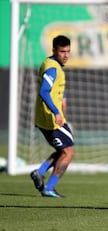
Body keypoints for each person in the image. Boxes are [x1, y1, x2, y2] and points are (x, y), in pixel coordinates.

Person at [30, 35, 74, 198]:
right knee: (68, 152)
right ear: (54, 50)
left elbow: (55, 89)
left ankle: (40, 172)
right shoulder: (52, 67)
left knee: (63, 150)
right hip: (51, 119)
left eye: (68, 51)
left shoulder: (54, 64)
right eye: (62, 51)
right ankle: (48, 187)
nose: (66, 55)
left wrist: (63, 100)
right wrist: (56, 112)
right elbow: (43, 91)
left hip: (48, 117)